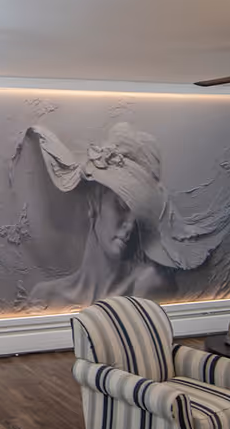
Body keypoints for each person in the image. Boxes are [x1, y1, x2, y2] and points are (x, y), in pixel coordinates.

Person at [17, 122, 213, 310]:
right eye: (120, 206)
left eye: (138, 214)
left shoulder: (148, 285)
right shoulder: (45, 296)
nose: (129, 224)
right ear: (94, 203)